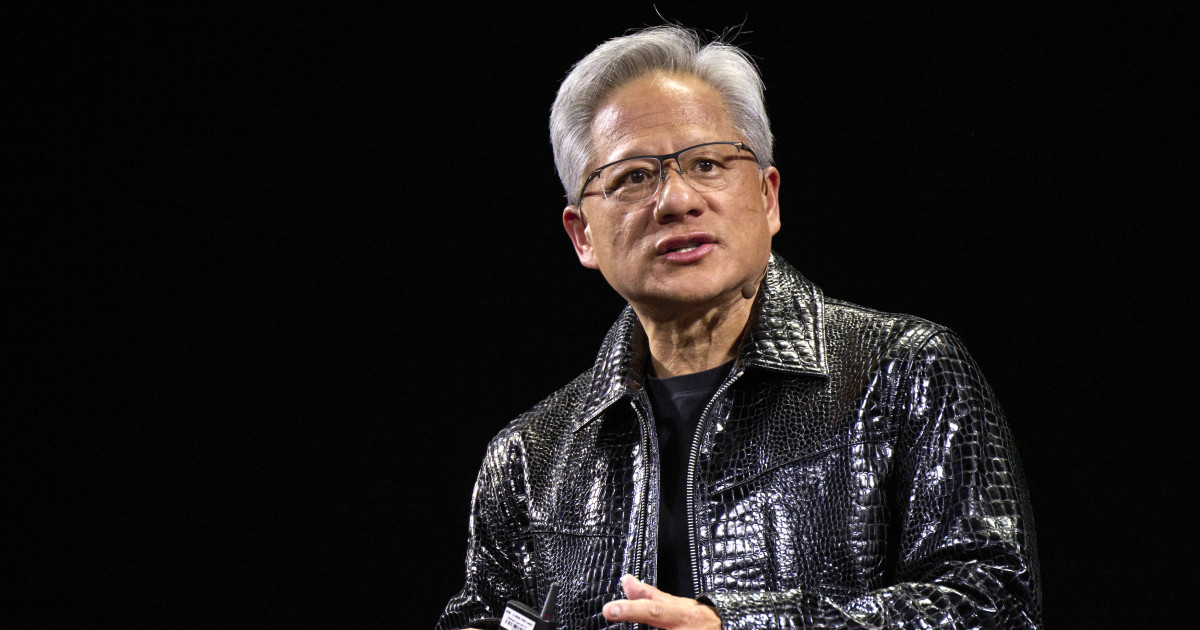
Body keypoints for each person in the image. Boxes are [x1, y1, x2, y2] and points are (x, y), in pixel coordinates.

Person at [437, 25, 1040, 630]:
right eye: (634, 177)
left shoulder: (906, 371)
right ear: (583, 235)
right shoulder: (528, 458)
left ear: (768, 198)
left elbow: (994, 601)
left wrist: (737, 625)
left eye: (707, 163)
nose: (676, 200)